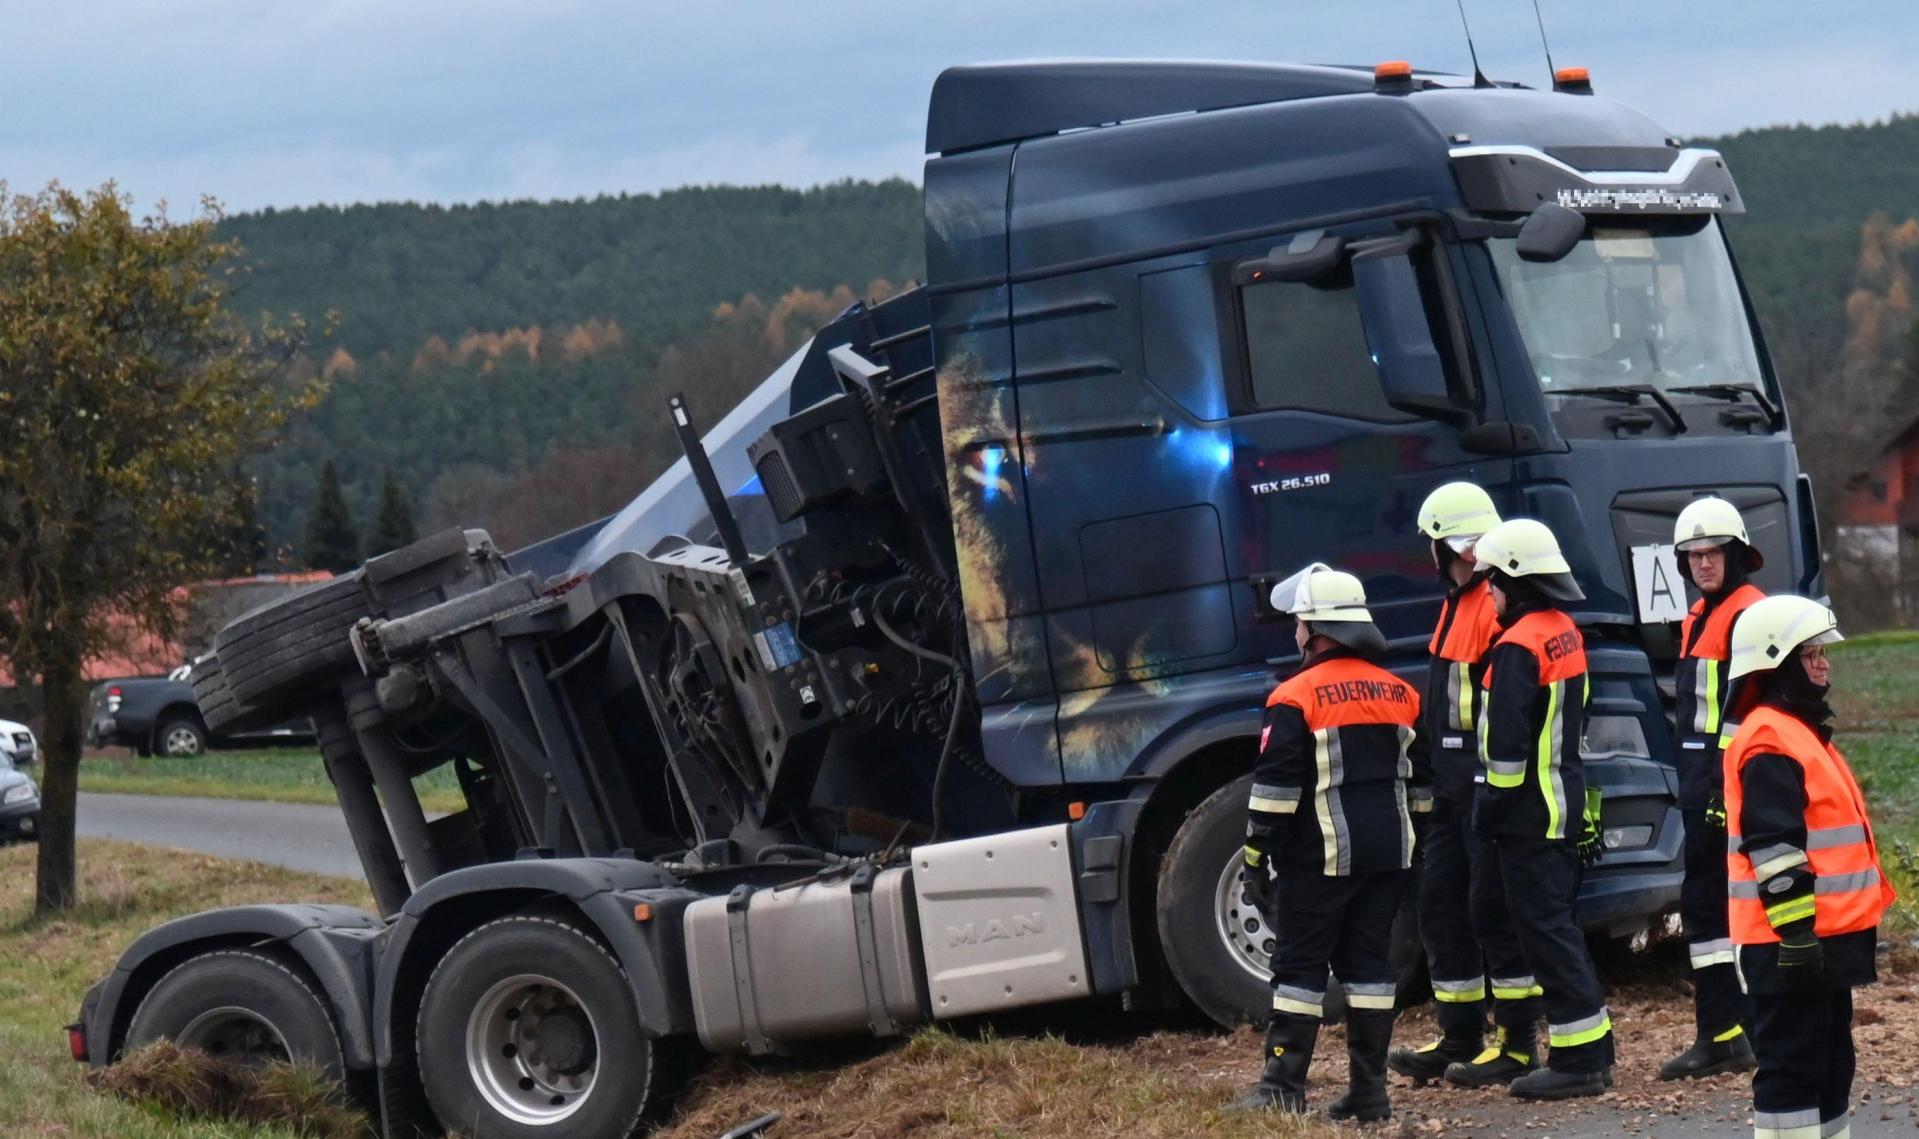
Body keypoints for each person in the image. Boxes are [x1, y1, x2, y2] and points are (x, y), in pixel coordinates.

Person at [1233, 563, 1426, 1121]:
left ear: (1316, 630)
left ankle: (1281, 1089)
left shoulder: (1295, 697)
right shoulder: (1402, 692)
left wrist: (1255, 855)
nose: (1295, 633)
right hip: (1388, 855)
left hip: (1318, 858)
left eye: (1298, 623)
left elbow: (1274, 791)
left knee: (1298, 969)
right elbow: (1424, 783)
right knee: (1369, 969)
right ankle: (1370, 1096)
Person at [1723, 595, 1893, 1139]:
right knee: (1793, 1072)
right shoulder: (1771, 737)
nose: (1824, 665)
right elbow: (1774, 847)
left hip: (1817, 940)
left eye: (1822, 653)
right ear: (1777, 663)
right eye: (1812, 654)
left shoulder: (1795, 730)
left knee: (1828, 1066)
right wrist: (1795, 933)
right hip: (1791, 942)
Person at [1464, 519, 1614, 1099]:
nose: (1491, 594)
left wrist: (1487, 812)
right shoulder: (1564, 632)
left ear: (1517, 581)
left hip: (1527, 818)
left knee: (1547, 937)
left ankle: (1578, 1065)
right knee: (1559, 932)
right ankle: (1593, 1051)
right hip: (1564, 809)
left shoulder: (1516, 648)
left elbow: (1505, 750)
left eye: (1495, 583)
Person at [1390, 483, 1529, 1085]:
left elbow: (1504, 705)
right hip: (1450, 789)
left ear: (1449, 545)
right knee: (1441, 904)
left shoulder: (1491, 606)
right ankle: (1459, 1038)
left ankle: (1515, 1043)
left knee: (1492, 910)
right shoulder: (1456, 601)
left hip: (1481, 783)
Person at [1660, 497, 1767, 1080]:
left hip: (1724, 790)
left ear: (1735, 555)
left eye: (1712, 553)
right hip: (1705, 788)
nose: (1703, 564)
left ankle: (1730, 1031)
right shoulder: (1703, 614)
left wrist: (1727, 792)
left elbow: (1743, 717)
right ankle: (1727, 1030)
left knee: (1719, 909)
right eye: (1693, 556)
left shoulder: (1747, 613)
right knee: (1708, 909)